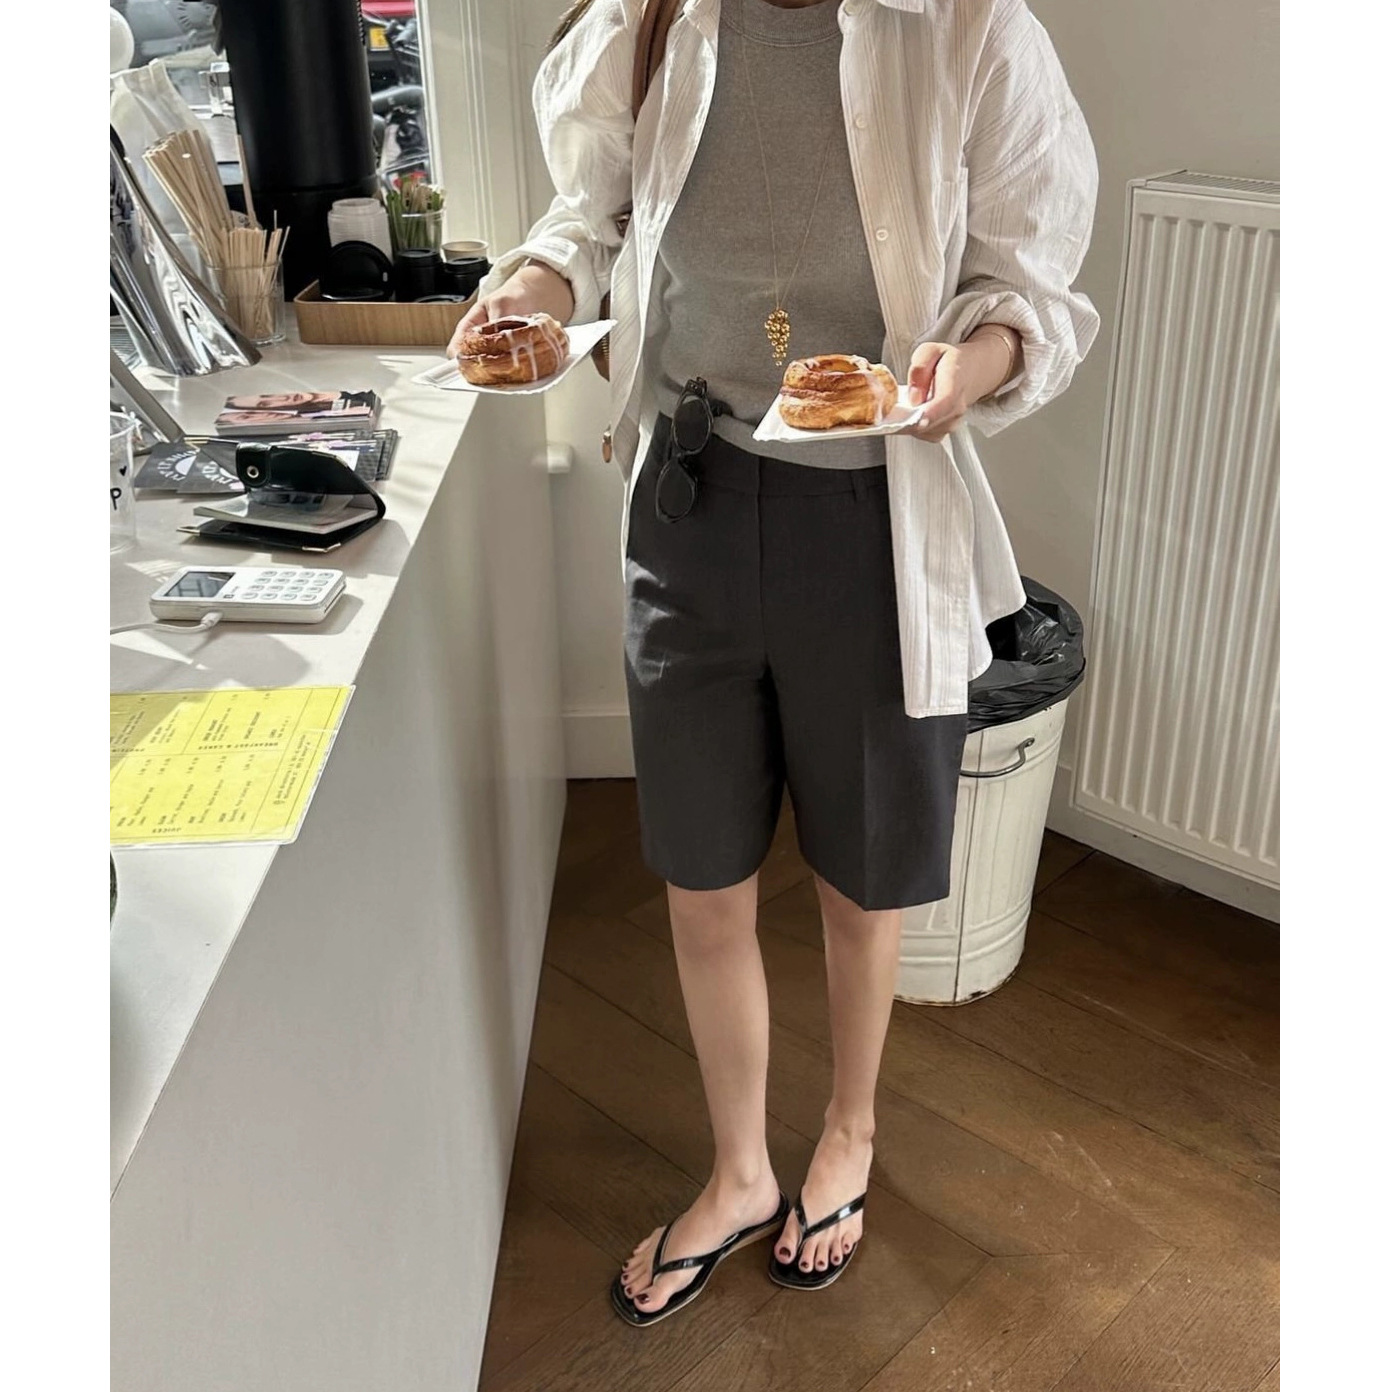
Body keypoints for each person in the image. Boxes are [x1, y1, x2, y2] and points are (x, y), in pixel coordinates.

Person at [454, 0, 1099, 1325]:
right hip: (684, 500)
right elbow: (587, 218)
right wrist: (531, 293)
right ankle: (741, 1170)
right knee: (701, 877)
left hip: (871, 509)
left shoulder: (967, 27)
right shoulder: (651, 17)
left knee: (862, 880)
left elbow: (1031, 280)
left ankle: (848, 1135)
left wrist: (968, 365)